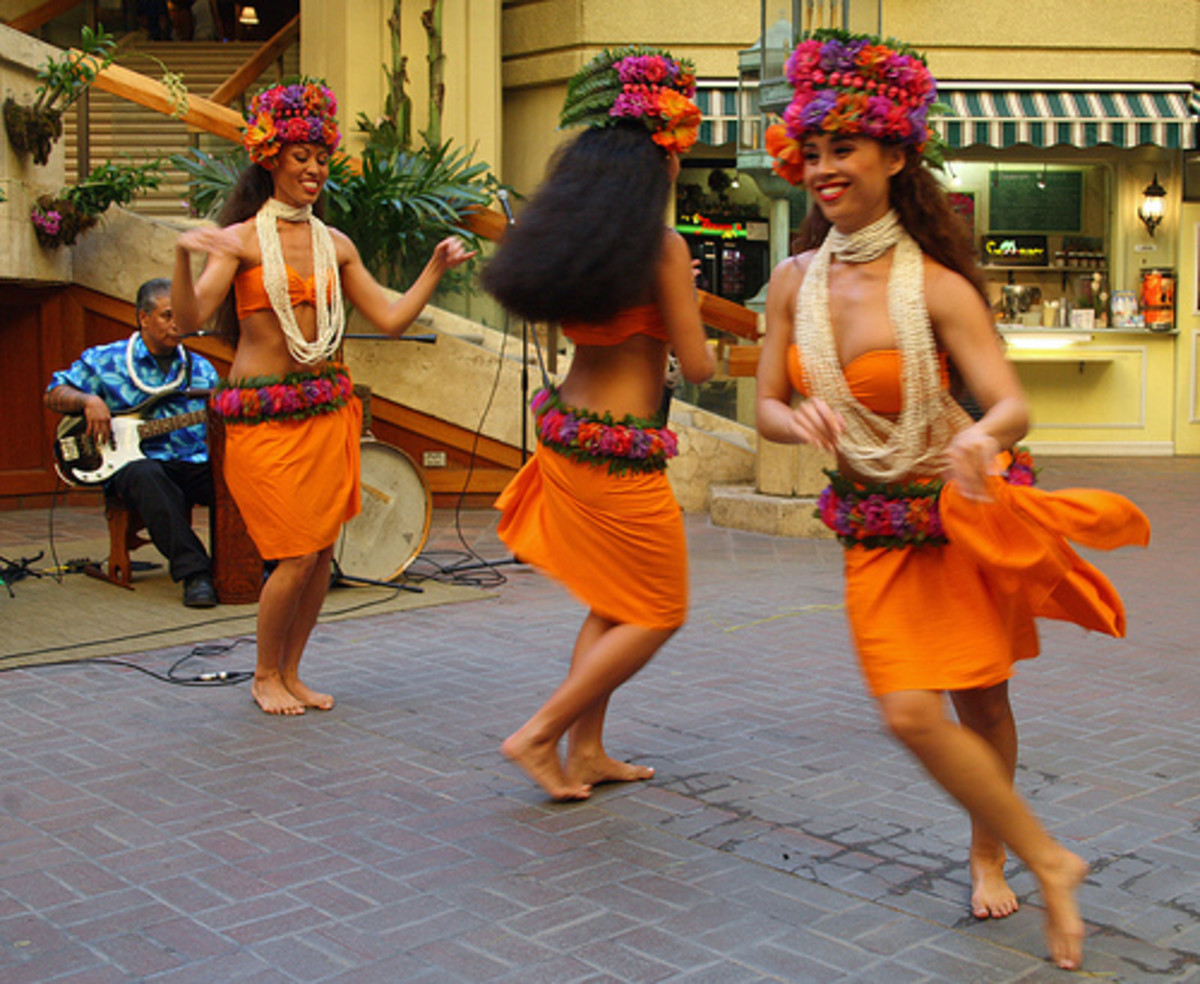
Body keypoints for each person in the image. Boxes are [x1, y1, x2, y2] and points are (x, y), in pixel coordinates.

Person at [754, 30, 1150, 972]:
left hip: (957, 515)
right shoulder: (791, 282)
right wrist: (795, 419)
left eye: (846, 147)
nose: (824, 167)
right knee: (907, 712)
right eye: (814, 150)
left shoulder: (935, 286)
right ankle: (1050, 856)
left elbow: (1010, 402)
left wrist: (982, 435)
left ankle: (992, 851)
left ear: (895, 156)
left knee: (980, 700)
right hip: (874, 532)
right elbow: (765, 402)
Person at [171, 78, 473, 716]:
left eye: (321, 158)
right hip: (261, 421)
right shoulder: (243, 240)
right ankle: (263, 675)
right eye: (300, 157)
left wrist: (435, 267)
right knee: (295, 553)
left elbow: (391, 319)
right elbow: (190, 317)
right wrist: (181, 255)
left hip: (323, 415)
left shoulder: (336, 245)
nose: (313, 169)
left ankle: (292, 671)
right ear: (271, 159)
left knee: (319, 555)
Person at [482, 46, 716, 802]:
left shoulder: (581, 245)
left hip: (566, 436)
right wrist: (692, 303)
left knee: (614, 602)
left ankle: (586, 751)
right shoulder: (663, 249)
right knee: (661, 610)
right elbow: (699, 365)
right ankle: (540, 733)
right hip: (618, 455)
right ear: (660, 164)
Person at [46, 277, 220, 608]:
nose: (177, 324)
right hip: (132, 467)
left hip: (191, 461)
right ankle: (196, 574)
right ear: (143, 317)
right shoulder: (105, 360)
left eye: (183, 316)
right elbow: (53, 393)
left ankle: (266, 563)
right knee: (147, 475)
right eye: (167, 315)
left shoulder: (201, 368)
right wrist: (88, 401)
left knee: (243, 475)